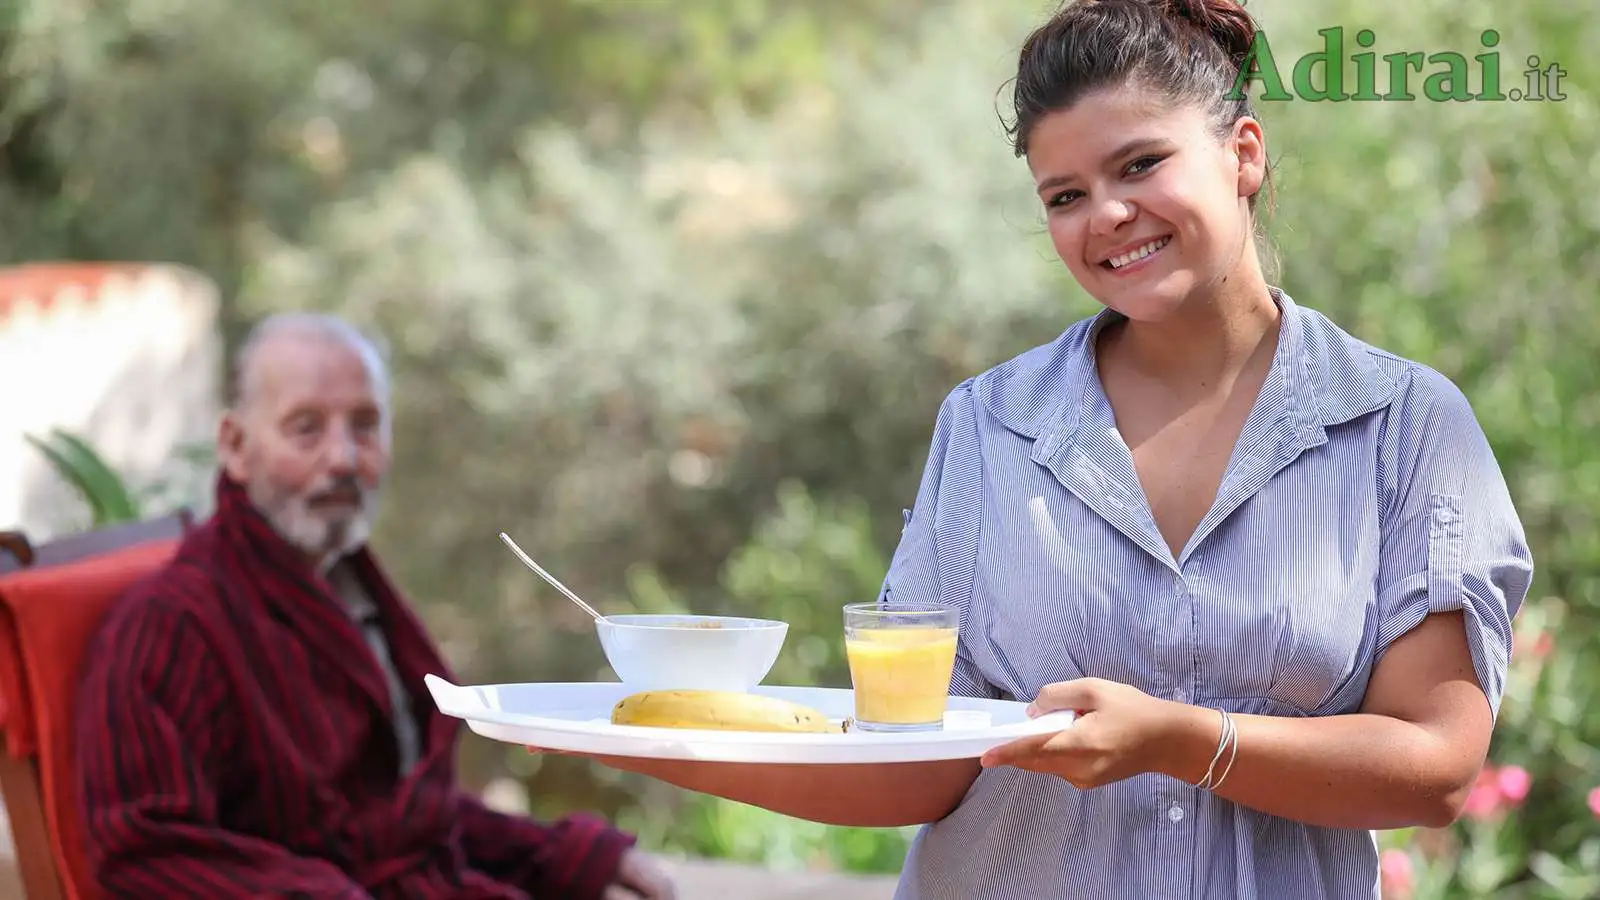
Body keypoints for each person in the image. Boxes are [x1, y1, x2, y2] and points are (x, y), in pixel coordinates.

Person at [544, 1, 1535, 898]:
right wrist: (656, 738)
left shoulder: (1403, 424)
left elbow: (1436, 767)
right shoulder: (986, 425)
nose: (1104, 215)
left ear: (1243, 153)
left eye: (1140, 165)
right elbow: (922, 762)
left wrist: (1184, 742)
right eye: (1063, 195)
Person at [75, 313, 677, 900]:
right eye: (305, 427)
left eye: (364, 425)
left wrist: (570, 855)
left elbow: (399, 821)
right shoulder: (171, 625)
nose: (342, 458)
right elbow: (142, 846)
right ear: (235, 444)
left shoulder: (348, 589)